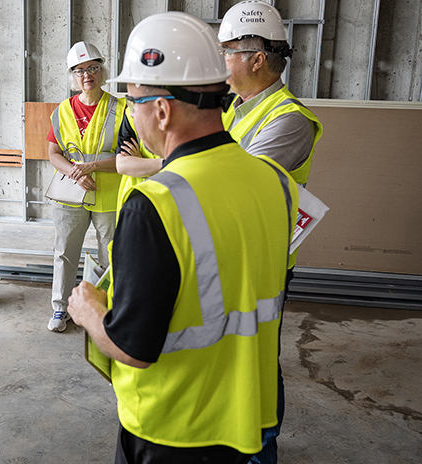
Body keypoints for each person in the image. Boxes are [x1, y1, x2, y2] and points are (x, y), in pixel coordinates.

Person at [67, 12, 299, 463]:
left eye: (132, 101)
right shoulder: (274, 182)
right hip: (246, 417)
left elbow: (134, 349)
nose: (131, 115)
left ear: (162, 109)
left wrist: (89, 311)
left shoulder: (155, 204)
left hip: (173, 428)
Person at [218, 2, 323, 462]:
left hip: (262, 263)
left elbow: (229, 177)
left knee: (258, 360)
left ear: (257, 58)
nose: (221, 61)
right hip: (224, 252)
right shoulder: (234, 109)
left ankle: (261, 451)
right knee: (227, 356)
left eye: (227, 51)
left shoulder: (289, 119)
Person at [45, 41, 125, 332]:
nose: (86, 74)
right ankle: (60, 309)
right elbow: (54, 153)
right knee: (65, 252)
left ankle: (107, 309)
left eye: (92, 68)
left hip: (110, 195)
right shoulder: (62, 111)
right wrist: (77, 174)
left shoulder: (122, 109)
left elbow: (129, 156)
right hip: (70, 195)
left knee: (111, 254)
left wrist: (91, 167)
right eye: (79, 70)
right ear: (72, 76)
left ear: (102, 72)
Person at [114, 108, 162, 215]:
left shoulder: (182, 113)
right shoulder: (131, 113)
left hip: (168, 196)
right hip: (135, 196)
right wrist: (169, 164)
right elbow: (122, 165)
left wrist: (140, 162)